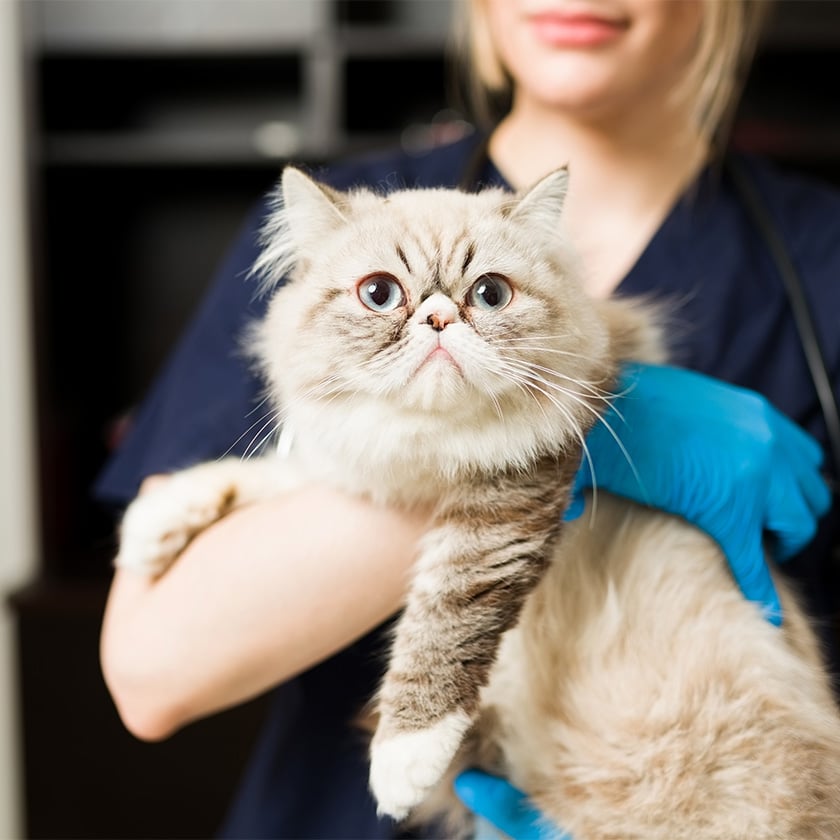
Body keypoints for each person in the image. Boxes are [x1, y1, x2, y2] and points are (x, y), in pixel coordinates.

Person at [96, 0, 840, 837]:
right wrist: (542, 449)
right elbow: (150, 675)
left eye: (490, 294)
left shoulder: (822, 255)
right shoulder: (338, 227)